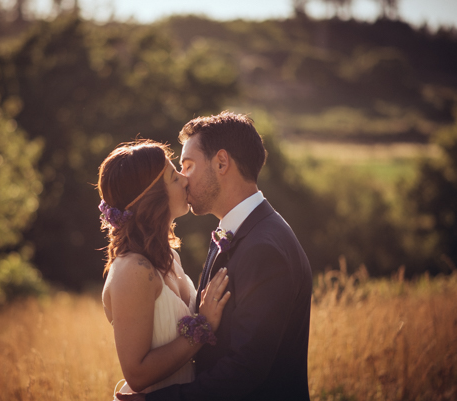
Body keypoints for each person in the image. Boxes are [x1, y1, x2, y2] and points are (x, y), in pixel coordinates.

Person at [117, 112, 313, 401]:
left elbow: (245, 370)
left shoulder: (264, 247)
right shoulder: (238, 231)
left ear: (221, 163)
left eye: (188, 165)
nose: (183, 179)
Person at [97, 140, 232, 398]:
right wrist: (202, 327)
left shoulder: (170, 256)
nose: (185, 180)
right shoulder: (132, 270)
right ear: (153, 197)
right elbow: (136, 375)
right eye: (174, 176)